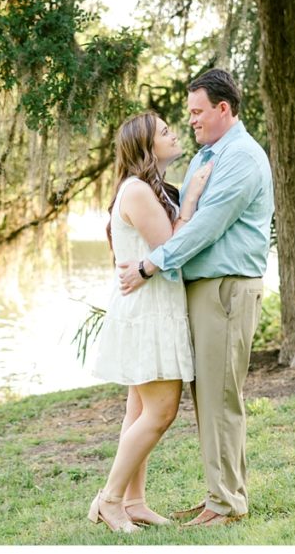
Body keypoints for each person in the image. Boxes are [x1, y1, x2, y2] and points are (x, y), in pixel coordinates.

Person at [117, 69, 274, 527]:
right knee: (211, 398)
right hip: (205, 291)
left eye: (198, 112)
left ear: (224, 109)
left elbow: (206, 227)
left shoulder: (241, 157)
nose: (192, 121)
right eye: (188, 114)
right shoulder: (211, 155)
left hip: (225, 289)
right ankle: (222, 496)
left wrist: (150, 265)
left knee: (220, 399)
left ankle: (225, 505)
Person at [87, 111, 213, 533]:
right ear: (146, 148)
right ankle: (109, 500)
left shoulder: (145, 189)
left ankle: (134, 501)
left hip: (151, 306)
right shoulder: (138, 190)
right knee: (160, 412)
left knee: (138, 410)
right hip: (148, 312)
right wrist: (192, 199)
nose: (173, 132)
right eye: (164, 132)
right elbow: (171, 247)